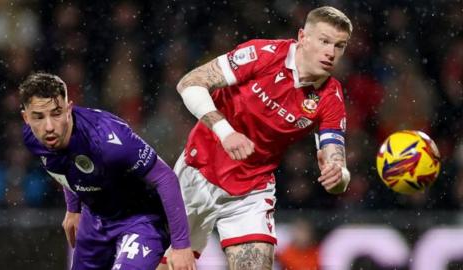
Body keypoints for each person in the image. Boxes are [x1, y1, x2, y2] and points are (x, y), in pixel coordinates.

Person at [159, 6, 353, 269]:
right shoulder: (263, 54)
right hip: (197, 172)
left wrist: (339, 176)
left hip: (251, 190)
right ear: (303, 37)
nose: (331, 52)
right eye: (324, 41)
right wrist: (226, 133)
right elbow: (190, 83)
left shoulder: (331, 98)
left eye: (339, 46)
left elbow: (335, 159)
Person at [19, 72, 196, 270]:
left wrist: (181, 246)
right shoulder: (32, 138)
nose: (49, 126)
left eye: (56, 113)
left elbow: (165, 178)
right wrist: (73, 208)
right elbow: (65, 165)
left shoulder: (108, 140)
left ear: (69, 109)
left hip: (140, 220)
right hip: (95, 218)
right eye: (38, 117)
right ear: (26, 117)